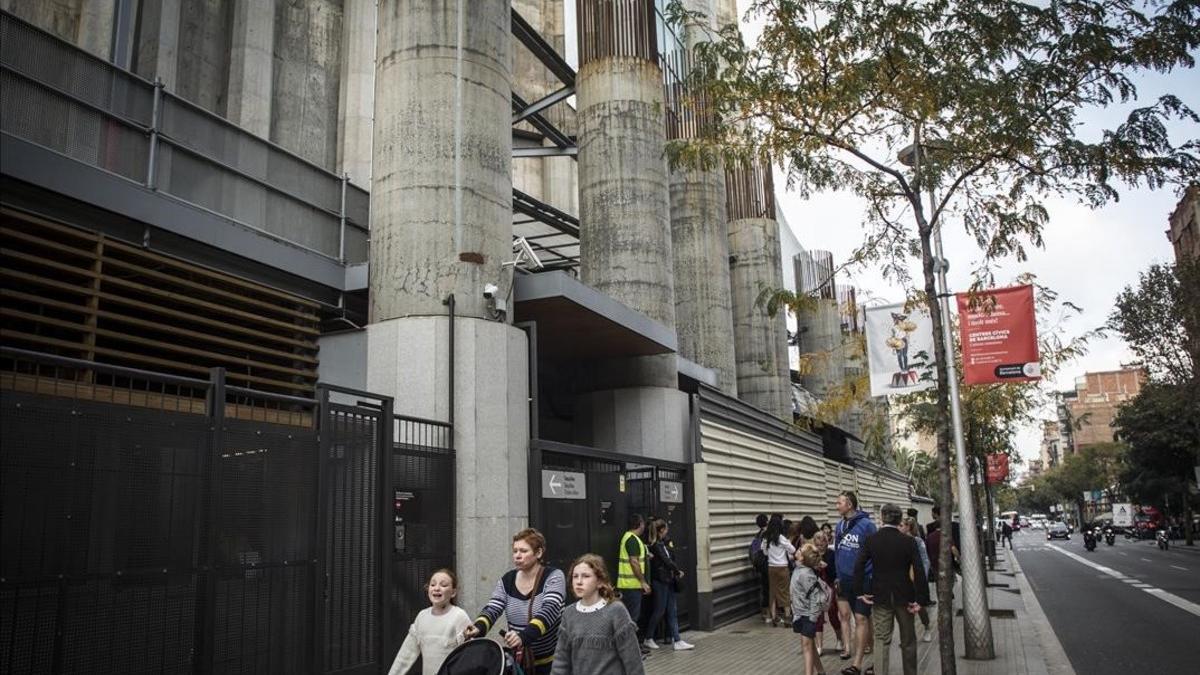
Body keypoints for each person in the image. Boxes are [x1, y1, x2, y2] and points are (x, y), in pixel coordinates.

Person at [464, 529, 565, 675]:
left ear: (538, 553)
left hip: (551, 663)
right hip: (519, 662)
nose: (517, 555)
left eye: (523, 551)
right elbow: (493, 607)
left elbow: (550, 610)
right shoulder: (508, 579)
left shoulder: (554, 576)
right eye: (515, 551)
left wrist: (523, 636)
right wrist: (478, 627)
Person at [853, 504, 930, 675]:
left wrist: (859, 592)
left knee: (881, 639)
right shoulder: (909, 541)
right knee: (908, 640)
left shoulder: (871, 540)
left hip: (880, 595)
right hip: (905, 596)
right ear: (898, 519)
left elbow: (858, 565)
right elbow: (919, 570)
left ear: (882, 517)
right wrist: (922, 599)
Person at [550, 554, 645, 675]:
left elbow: (632, 659)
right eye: (575, 576)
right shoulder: (569, 613)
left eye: (586, 576)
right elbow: (561, 660)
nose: (579, 581)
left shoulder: (616, 611)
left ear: (600, 582)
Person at [388, 568, 471, 675]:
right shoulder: (422, 617)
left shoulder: (459, 616)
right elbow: (405, 655)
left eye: (444, 585)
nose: (437, 588)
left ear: (453, 592)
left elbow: (469, 656)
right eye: (433, 585)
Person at [834, 491, 876, 674]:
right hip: (844, 580)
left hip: (863, 580)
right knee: (856, 618)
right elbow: (837, 552)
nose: (837, 505)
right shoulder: (839, 526)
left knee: (860, 618)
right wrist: (838, 575)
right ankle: (870, 653)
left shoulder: (867, 525)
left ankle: (857, 664)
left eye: (839, 502)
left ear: (849, 504)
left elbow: (875, 553)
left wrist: (871, 575)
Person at [644, 518, 694, 651]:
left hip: (668, 580)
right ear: (661, 530)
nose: (667, 531)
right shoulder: (655, 545)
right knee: (660, 610)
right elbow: (665, 560)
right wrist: (677, 570)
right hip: (660, 581)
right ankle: (648, 638)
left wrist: (675, 571)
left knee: (672, 610)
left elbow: (669, 558)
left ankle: (677, 640)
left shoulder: (662, 543)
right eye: (666, 529)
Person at [791, 544, 832, 675]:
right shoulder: (799, 568)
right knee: (810, 645)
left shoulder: (805, 574)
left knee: (806, 646)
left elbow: (815, 598)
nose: (797, 550)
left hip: (808, 614)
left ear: (803, 558)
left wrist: (813, 618)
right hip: (800, 613)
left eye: (800, 550)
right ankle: (821, 671)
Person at [616, 513, 652, 652]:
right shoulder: (631, 539)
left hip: (630, 585)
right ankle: (630, 648)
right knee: (632, 618)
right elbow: (634, 561)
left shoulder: (631, 538)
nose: (644, 526)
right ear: (640, 524)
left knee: (631, 617)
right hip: (631, 585)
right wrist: (643, 581)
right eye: (643, 523)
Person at [901, 517, 934, 643]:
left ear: (908, 527)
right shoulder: (900, 541)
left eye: (902, 525)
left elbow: (925, 559)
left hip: (916, 577)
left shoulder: (917, 541)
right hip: (904, 579)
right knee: (905, 608)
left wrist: (922, 577)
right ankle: (908, 635)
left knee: (920, 606)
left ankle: (926, 627)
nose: (900, 528)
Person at [812, 531, 843, 658]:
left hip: (829, 587)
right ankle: (819, 646)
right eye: (818, 544)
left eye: (822, 544)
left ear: (826, 542)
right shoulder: (811, 555)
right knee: (818, 617)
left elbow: (835, 572)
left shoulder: (832, 554)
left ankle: (839, 639)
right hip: (816, 588)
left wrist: (826, 566)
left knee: (833, 614)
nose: (820, 547)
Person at [763, 513, 797, 625]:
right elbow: (792, 550)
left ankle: (774, 617)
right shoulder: (781, 538)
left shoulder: (766, 538)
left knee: (773, 592)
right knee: (784, 592)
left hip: (771, 568)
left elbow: (765, 552)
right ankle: (787, 617)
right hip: (782, 567)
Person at [750, 513, 770, 622]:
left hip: (760, 566)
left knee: (764, 589)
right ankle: (770, 613)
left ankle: (764, 613)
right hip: (768, 565)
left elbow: (754, 552)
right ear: (767, 521)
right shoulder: (768, 534)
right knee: (769, 589)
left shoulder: (757, 536)